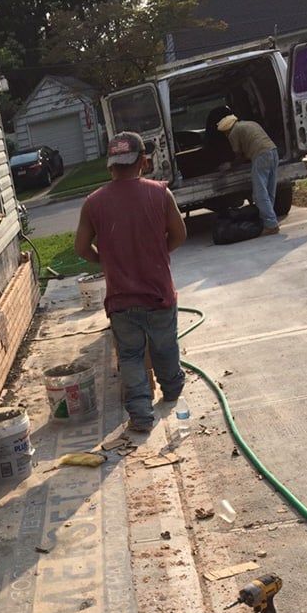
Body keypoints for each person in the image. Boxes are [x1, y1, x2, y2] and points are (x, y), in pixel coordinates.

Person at [74, 131, 187, 434]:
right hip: (158, 295)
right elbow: (180, 234)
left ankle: (140, 414)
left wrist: (106, 259)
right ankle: (172, 389)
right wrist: (158, 251)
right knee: (164, 348)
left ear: (110, 166)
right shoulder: (160, 193)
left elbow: (82, 248)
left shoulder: (94, 203)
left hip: (122, 301)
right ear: (142, 161)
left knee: (131, 357)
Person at [217, 113, 280, 235]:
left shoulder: (233, 133)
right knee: (269, 190)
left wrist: (229, 166)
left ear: (226, 130)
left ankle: (271, 225)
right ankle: (268, 221)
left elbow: (239, 156)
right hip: (273, 151)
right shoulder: (250, 123)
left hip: (261, 156)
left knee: (259, 193)